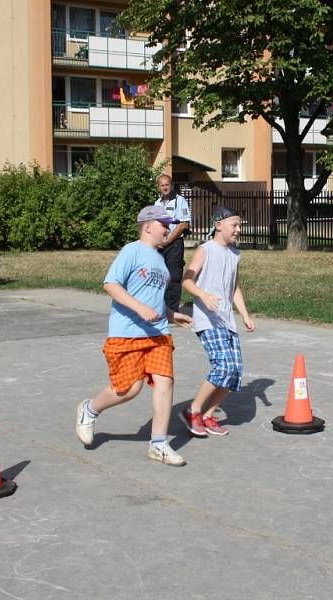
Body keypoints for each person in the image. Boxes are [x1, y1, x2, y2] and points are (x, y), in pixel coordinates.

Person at [75, 205, 193, 466]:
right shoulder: (131, 250)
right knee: (128, 389)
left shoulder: (160, 260)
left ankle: (159, 444)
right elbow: (111, 284)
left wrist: (172, 315)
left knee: (165, 382)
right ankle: (90, 409)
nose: (169, 229)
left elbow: (154, 299)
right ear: (148, 226)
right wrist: (139, 308)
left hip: (158, 333)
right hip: (127, 333)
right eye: (165, 224)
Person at [179, 207, 255, 437]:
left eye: (240, 225)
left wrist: (244, 314)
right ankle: (192, 411)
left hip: (227, 321)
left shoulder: (235, 254)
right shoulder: (205, 250)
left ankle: (208, 415)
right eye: (235, 225)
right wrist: (203, 295)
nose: (239, 230)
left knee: (234, 372)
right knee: (223, 366)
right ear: (219, 225)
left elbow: (234, 288)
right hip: (207, 319)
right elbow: (187, 280)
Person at [154, 175, 191, 312]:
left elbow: (183, 225)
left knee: (173, 277)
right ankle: (159, 309)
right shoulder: (157, 203)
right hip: (159, 245)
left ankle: (172, 311)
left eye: (167, 184)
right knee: (159, 276)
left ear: (171, 185)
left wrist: (168, 240)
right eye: (162, 185)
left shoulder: (180, 201)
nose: (165, 187)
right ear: (158, 187)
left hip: (174, 244)